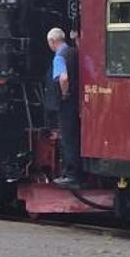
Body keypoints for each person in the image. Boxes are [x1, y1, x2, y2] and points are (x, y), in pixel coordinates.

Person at [47, 26, 81, 186]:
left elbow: (64, 78)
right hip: (77, 102)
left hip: (66, 103)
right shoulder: (74, 52)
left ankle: (71, 174)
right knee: (75, 136)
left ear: (53, 41)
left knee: (68, 138)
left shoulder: (59, 57)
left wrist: (64, 93)